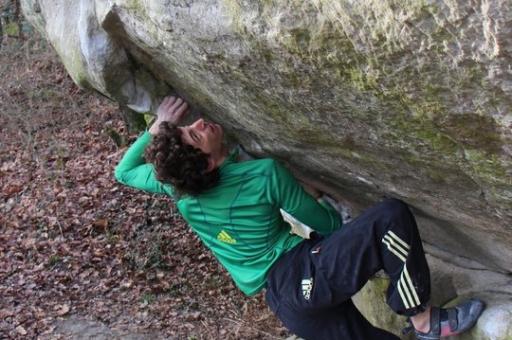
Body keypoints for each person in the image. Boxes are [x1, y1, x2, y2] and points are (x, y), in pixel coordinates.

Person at [115, 96, 484, 340]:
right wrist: (323, 198)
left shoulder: (179, 186)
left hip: (289, 307)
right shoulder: (262, 175)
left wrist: (157, 128)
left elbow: (124, 172)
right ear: (208, 162)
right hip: (301, 276)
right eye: (194, 134)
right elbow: (327, 225)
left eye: (189, 125)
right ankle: (425, 321)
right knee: (390, 217)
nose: (199, 123)